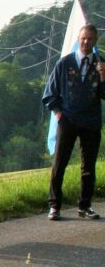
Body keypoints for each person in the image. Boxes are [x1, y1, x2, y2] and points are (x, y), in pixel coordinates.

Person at [42, 24, 105, 220]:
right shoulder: (65, 63)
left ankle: (85, 206)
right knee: (59, 164)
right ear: (79, 39)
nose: (86, 42)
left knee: (88, 167)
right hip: (68, 120)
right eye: (83, 38)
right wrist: (58, 113)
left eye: (90, 39)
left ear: (95, 41)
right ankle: (54, 205)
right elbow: (50, 92)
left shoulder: (101, 63)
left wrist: (103, 76)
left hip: (91, 122)